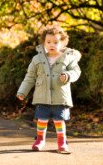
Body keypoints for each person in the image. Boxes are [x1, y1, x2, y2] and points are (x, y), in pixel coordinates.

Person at [16, 24, 81, 153]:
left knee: (59, 120)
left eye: (56, 42)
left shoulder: (68, 57)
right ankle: (40, 140)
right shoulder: (37, 59)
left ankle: (62, 143)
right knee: (42, 119)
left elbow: (76, 72)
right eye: (49, 42)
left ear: (63, 43)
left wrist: (68, 76)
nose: (52, 44)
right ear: (44, 42)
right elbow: (30, 77)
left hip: (60, 96)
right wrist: (22, 91)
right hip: (42, 96)